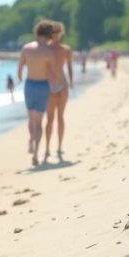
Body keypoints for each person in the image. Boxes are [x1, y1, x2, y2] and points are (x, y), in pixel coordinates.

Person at [18, 20, 59, 166]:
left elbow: (20, 68)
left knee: (31, 118)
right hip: (43, 86)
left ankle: (31, 139)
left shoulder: (26, 48)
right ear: (49, 35)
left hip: (29, 85)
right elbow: (53, 74)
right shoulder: (49, 52)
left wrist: (19, 77)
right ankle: (35, 154)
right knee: (39, 122)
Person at [45, 22, 75, 159]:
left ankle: (59, 147)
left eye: (57, 32)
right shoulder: (45, 48)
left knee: (60, 117)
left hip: (63, 85)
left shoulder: (66, 49)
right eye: (53, 32)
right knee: (50, 119)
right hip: (49, 85)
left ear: (61, 33)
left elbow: (69, 66)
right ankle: (46, 147)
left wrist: (71, 81)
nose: (55, 35)